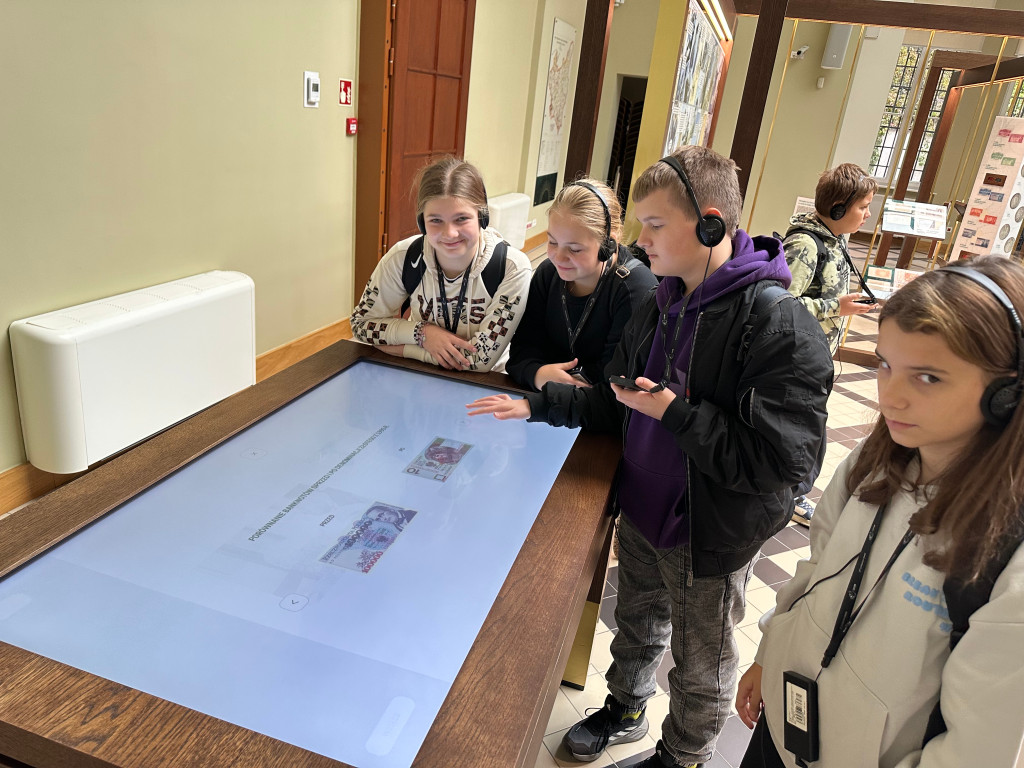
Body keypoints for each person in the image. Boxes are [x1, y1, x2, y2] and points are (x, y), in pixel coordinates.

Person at [467, 146, 833, 768]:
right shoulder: (658, 302)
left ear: (710, 225)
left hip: (708, 529)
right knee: (636, 624)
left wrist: (676, 414)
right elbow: (614, 401)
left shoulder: (778, 325)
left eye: (656, 224)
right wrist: (538, 406)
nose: (640, 240)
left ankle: (683, 756)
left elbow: (784, 466)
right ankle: (626, 709)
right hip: (642, 506)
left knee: (700, 659)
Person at [735, 255, 1024, 768]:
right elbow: (815, 569)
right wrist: (770, 652)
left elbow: (975, 745)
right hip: (785, 718)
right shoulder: (874, 462)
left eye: (928, 377)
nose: (891, 396)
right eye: (885, 364)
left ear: (1008, 394)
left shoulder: (1006, 547)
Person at [350, 156, 532, 372]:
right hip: (417, 373)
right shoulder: (403, 257)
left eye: (461, 218)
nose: (450, 233)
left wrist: (404, 349)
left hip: (487, 380)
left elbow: (478, 361)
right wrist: (422, 333)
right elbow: (361, 325)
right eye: (436, 220)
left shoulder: (512, 268)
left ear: (482, 216)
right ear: (422, 222)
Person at [782, 163, 878, 526]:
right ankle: (790, 497)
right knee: (802, 432)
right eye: (863, 207)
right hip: (797, 360)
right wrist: (836, 306)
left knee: (808, 430)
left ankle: (790, 494)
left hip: (816, 356)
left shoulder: (835, 239)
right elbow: (780, 305)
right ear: (838, 209)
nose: (867, 215)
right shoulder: (805, 245)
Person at [506, 178, 657, 390]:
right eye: (552, 242)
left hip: (594, 405)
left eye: (574, 249)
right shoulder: (548, 274)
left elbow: (615, 381)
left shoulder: (635, 288)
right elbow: (521, 352)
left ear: (608, 244)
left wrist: (556, 387)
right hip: (546, 396)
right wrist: (539, 375)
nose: (558, 257)